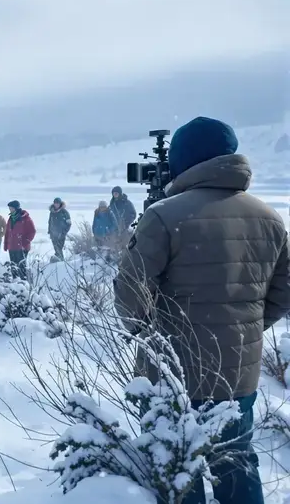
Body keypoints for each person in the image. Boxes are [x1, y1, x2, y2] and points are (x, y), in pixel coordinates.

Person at [114, 116, 290, 504]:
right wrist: (244, 330)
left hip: (173, 375)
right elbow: (284, 293)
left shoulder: (164, 215)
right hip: (237, 374)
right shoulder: (270, 218)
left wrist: (150, 336)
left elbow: (130, 292)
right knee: (237, 464)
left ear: (184, 161)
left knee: (178, 470)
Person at [3, 200, 36, 278]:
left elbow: (32, 231)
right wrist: (6, 244)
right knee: (13, 266)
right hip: (12, 246)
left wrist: (25, 242)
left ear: (16, 208)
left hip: (21, 247)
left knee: (21, 267)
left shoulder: (25, 218)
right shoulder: (11, 218)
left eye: (11, 208)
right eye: (9, 208)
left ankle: (23, 282)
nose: (10, 210)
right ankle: (15, 281)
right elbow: (7, 232)